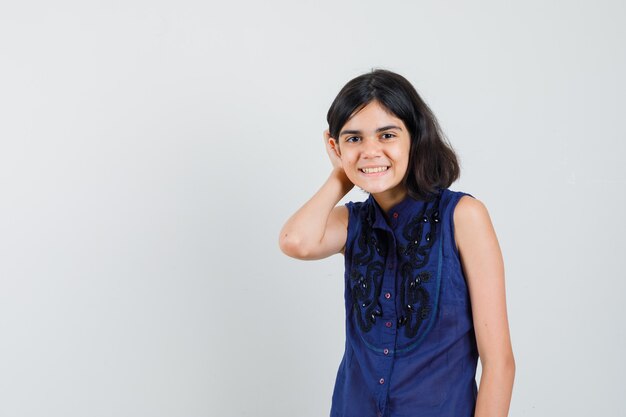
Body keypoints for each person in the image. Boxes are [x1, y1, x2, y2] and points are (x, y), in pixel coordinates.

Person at [278, 69, 515, 417]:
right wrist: (340, 175)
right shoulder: (351, 222)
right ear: (334, 146)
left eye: (387, 135)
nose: (371, 151)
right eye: (353, 139)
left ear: (414, 138)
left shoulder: (463, 216)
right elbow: (295, 241)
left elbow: (499, 363)